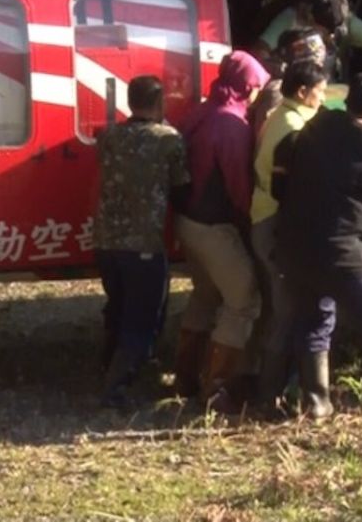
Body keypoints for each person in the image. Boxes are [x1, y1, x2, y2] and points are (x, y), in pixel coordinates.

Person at [274, 73, 362, 420]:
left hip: (297, 248)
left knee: (314, 320)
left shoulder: (315, 127)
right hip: (347, 251)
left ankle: (316, 402)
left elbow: (280, 178)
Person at [173, 51, 269, 408]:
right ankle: (217, 389)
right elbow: (239, 187)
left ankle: (185, 378)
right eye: (256, 86)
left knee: (206, 294)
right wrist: (253, 221)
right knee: (243, 299)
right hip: (214, 227)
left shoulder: (203, 110)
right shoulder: (230, 124)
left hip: (187, 221)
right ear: (246, 87)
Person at [92, 75, 191, 410]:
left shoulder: (108, 137)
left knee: (118, 307)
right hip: (144, 244)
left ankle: (107, 368)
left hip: (105, 241)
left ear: (129, 101)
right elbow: (181, 189)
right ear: (160, 102)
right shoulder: (168, 140)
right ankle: (115, 390)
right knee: (143, 316)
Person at [250, 59, 328, 410]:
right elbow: (291, 188)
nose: (323, 98)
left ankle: (274, 391)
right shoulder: (293, 129)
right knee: (286, 313)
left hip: (265, 217)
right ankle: (269, 396)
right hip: (275, 224)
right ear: (302, 91)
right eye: (320, 91)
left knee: (284, 310)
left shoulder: (279, 115)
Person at [248, 28, 327, 137]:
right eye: (315, 65)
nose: (317, 71)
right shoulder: (277, 91)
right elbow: (266, 136)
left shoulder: (288, 83)